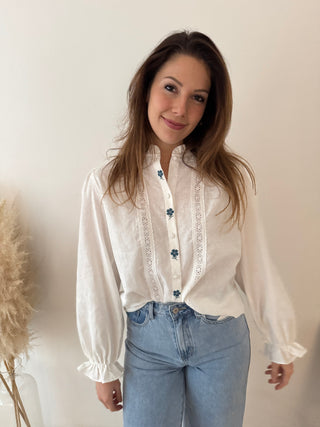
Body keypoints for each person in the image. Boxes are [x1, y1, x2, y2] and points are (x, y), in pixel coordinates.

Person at [76, 30, 306, 427]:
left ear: (209, 108)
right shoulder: (107, 185)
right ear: (146, 88)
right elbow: (95, 277)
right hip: (147, 347)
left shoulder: (227, 179)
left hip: (221, 343)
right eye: (171, 88)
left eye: (197, 97)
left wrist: (281, 339)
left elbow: (255, 264)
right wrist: (103, 363)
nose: (180, 108)